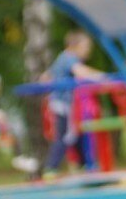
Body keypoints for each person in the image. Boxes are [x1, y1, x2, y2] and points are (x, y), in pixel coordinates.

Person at [42, 30, 106, 175]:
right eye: (85, 47)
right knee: (65, 135)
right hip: (63, 104)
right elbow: (80, 72)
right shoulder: (69, 58)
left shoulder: (62, 58)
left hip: (61, 102)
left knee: (74, 133)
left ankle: (85, 163)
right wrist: (101, 76)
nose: (88, 51)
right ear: (74, 46)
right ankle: (51, 167)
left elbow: (46, 76)